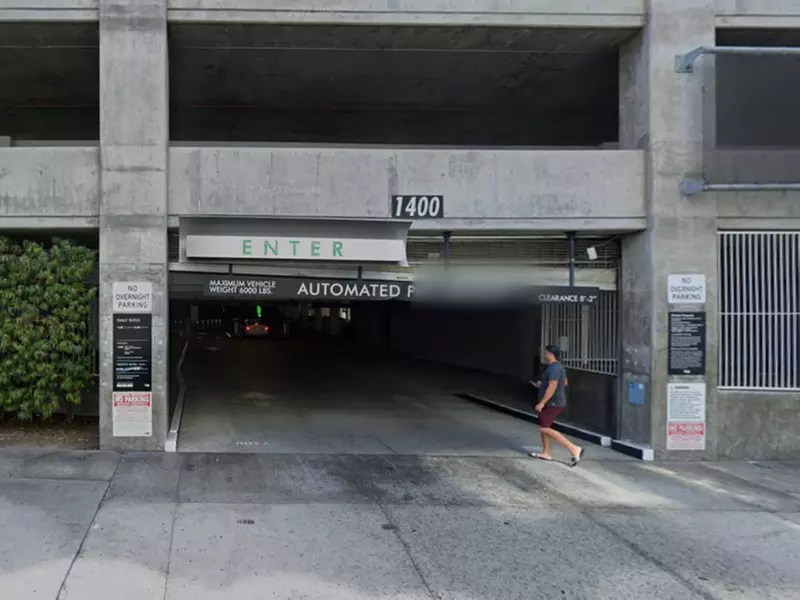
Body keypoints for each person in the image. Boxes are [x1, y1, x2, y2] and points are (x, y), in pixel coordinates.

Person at [528, 344, 585, 466]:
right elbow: (564, 382)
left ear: (550, 354)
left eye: (545, 353)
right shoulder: (558, 367)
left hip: (553, 403)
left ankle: (574, 449)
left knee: (544, 428)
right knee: (544, 426)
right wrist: (542, 384)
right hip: (555, 402)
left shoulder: (553, 368)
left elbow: (553, 386)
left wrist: (542, 402)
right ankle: (546, 452)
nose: (544, 355)